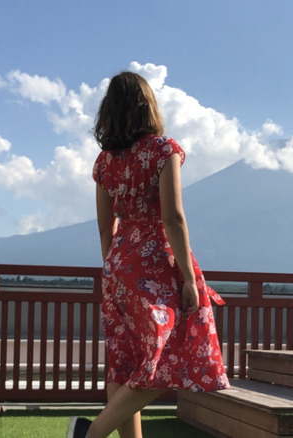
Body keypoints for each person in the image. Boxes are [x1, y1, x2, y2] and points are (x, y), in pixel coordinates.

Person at [67, 71, 230, 438]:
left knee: (125, 362)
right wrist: (189, 278)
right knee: (175, 354)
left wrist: (114, 273)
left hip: (118, 263)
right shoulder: (163, 149)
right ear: (148, 107)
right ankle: (91, 433)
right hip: (156, 260)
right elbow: (172, 217)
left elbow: (104, 228)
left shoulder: (105, 162)